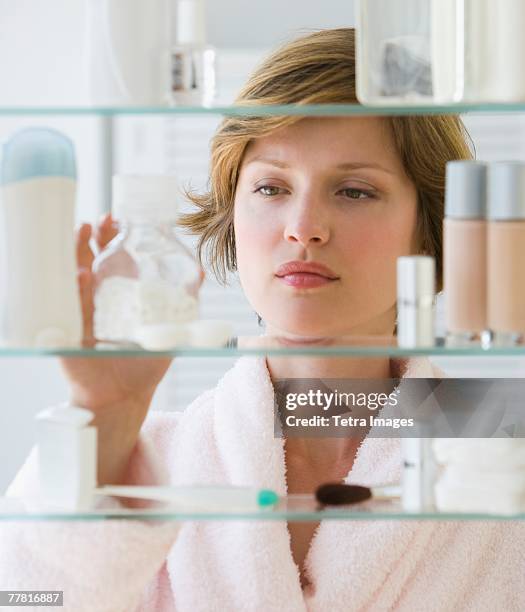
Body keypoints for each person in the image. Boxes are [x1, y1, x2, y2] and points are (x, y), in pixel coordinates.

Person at [4, 28, 524, 612]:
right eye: (272, 187)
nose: (303, 226)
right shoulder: (146, 458)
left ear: (431, 231)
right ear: (232, 220)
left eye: (354, 192)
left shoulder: (501, 456)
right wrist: (105, 420)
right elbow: (25, 598)